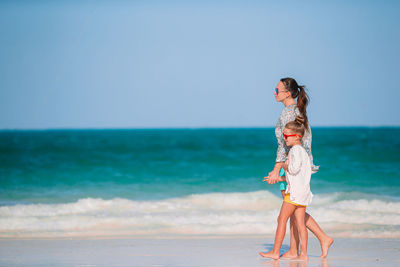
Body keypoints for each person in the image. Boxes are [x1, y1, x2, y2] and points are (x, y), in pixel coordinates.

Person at [264, 77, 333, 258]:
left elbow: (284, 145)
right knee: (296, 209)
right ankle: (296, 250)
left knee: (292, 209)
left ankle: (321, 238)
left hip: (292, 166)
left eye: (277, 90)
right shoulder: (297, 111)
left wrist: (276, 169)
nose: (274, 92)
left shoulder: (289, 113)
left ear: (287, 93)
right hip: (300, 165)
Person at [260, 120, 313, 261]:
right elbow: (298, 175)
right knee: (300, 223)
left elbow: (293, 169)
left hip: (294, 194)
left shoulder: (295, 151)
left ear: (297, 137)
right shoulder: (304, 153)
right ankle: (304, 254)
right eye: (284, 135)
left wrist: (282, 164)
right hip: (303, 193)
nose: (284, 138)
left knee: (281, 219)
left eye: (287, 135)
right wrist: (279, 179)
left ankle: (275, 252)